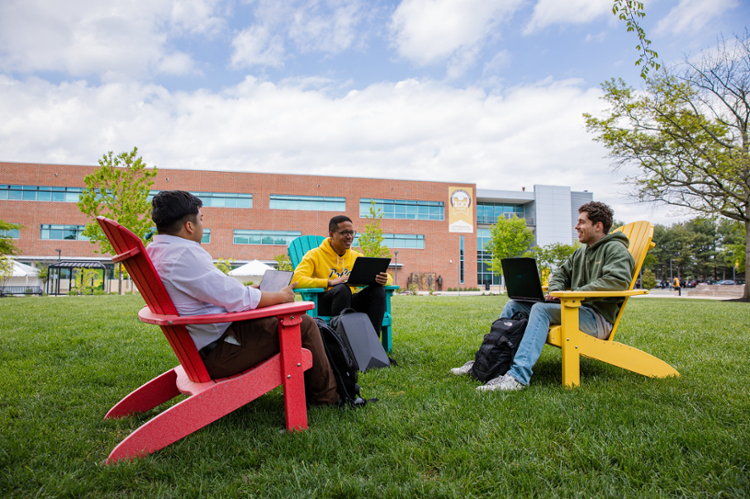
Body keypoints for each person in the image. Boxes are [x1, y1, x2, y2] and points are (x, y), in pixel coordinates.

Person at [147, 190, 338, 406]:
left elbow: (213, 291)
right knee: (304, 323)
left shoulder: (157, 251)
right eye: (201, 219)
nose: (202, 225)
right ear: (189, 226)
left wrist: (254, 291)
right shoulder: (185, 254)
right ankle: (326, 399)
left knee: (293, 321)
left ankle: (320, 391)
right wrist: (278, 295)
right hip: (221, 352)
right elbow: (235, 298)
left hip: (204, 345)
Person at [451, 201, 634, 391]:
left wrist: (573, 294)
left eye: (581, 222)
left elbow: (617, 281)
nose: (576, 226)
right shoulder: (580, 253)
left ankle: (518, 377)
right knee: (515, 305)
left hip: (596, 319)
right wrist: (555, 293)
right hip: (573, 309)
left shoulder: (615, 249)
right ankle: (489, 361)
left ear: (598, 226)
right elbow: (561, 275)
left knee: (541, 309)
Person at [293, 215, 391, 335]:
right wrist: (329, 282)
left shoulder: (356, 257)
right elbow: (295, 279)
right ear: (332, 234)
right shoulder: (314, 255)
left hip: (349, 302)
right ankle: (341, 345)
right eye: (344, 232)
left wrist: (384, 279)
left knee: (377, 290)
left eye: (351, 232)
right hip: (323, 303)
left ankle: (374, 344)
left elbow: (385, 276)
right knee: (342, 289)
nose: (349, 236)